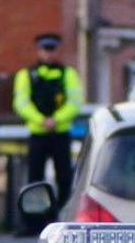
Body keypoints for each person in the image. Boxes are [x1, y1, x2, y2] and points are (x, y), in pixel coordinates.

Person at [10, 32, 85, 202]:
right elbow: (21, 103)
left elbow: (75, 102)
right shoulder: (26, 74)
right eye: (45, 49)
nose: (49, 54)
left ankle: (64, 215)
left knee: (64, 178)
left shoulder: (68, 74)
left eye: (52, 50)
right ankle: (34, 222)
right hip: (38, 133)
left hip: (61, 133)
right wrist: (41, 120)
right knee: (34, 180)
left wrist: (56, 119)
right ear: (39, 51)